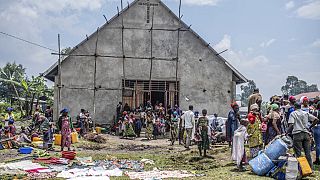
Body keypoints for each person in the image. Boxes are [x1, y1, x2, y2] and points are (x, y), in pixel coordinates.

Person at [287, 103, 319, 169]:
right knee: (307, 153)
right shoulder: (305, 113)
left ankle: (299, 169)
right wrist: (310, 127)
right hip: (306, 134)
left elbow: (292, 125)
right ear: (300, 107)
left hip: (297, 134)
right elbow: (316, 119)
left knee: (298, 153)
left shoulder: (293, 114)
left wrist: (287, 132)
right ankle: (310, 168)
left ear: (295, 107)